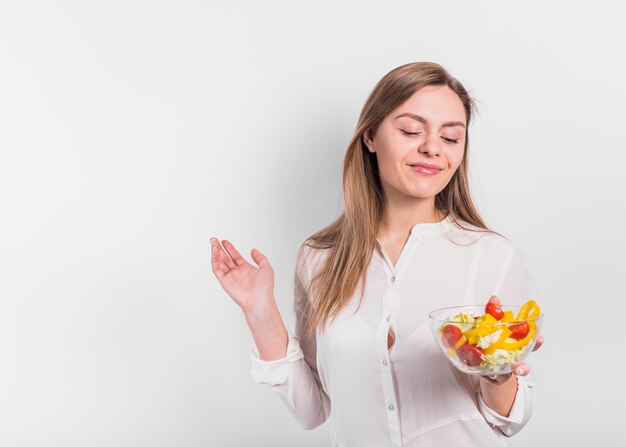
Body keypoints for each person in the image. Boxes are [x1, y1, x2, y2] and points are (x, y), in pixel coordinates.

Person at [210, 61, 544, 446]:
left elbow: (510, 421)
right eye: (411, 130)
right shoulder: (319, 258)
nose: (432, 148)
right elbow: (312, 410)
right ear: (370, 135)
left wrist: (497, 374)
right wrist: (260, 311)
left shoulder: (491, 255)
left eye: (451, 138)